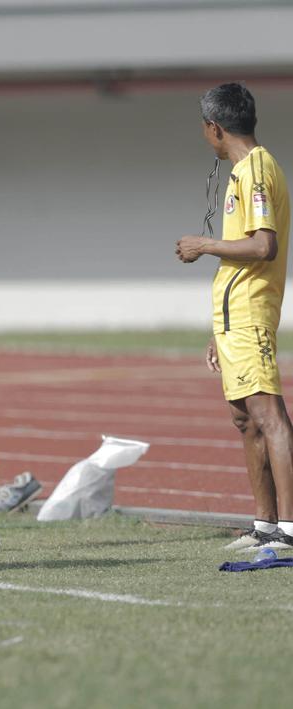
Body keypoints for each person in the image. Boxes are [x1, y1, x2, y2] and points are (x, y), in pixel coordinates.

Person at [176, 83, 293, 550]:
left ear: (214, 127)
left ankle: (288, 530)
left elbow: (264, 245)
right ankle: (263, 524)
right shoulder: (242, 172)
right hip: (231, 315)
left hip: (250, 312)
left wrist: (203, 244)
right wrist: (216, 328)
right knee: (245, 419)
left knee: (270, 416)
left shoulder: (257, 172)